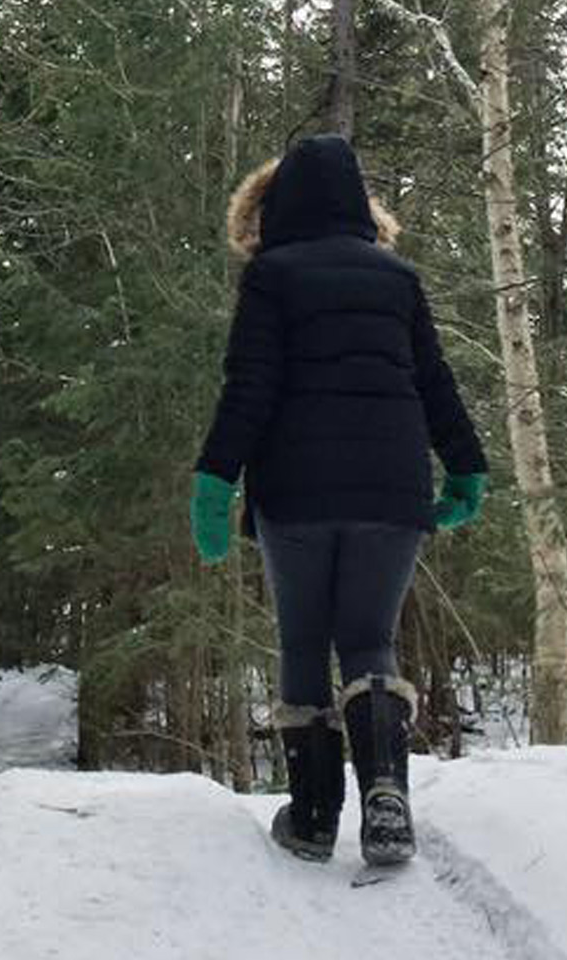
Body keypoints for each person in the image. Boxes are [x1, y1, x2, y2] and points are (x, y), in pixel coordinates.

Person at [189, 136, 489, 865]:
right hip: (392, 488)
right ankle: (387, 800)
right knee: (369, 640)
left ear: (275, 204)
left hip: (295, 489)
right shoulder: (398, 278)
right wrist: (466, 468)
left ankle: (316, 816)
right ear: (362, 204)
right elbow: (435, 382)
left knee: (302, 642)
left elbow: (249, 388)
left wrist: (215, 478)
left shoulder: (272, 277)